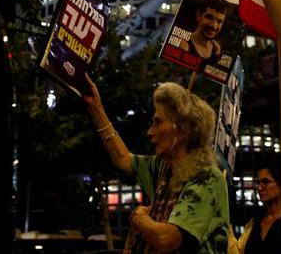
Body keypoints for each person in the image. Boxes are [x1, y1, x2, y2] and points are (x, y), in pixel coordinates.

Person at [82, 74, 229, 253]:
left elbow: (166, 239)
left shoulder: (207, 178)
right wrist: (96, 107)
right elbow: (123, 158)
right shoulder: (164, 168)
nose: (150, 132)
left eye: (158, 122)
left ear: (182, 131)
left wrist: (139, 219)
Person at [238, 168, 281, 254]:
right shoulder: (255, 221)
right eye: (258, 183)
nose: (259, 188)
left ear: (280, 184)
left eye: (266, 182)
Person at [174, 0, 227, 64]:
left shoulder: (216, 49)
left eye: (219, 21)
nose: (214, 26)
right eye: (209, 17)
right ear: (198, 15)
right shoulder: (184, 45)